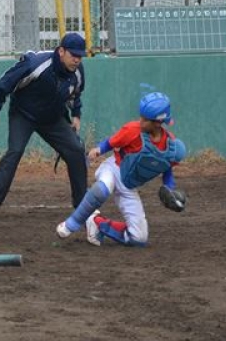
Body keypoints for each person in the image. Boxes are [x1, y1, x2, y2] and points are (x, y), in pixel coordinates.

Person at [55, 91, 186, 247]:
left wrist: (170, 189)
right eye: (141, 117)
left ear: (158, 123)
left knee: (139, 238)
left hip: (128, 186)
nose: (141, 121)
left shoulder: (170, 147)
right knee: (101, 190)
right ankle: (71, 224)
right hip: (113, 168)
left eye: (145, 119)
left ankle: (97, 223)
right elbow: (110, 142)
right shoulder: (133, 130)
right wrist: (98, 150)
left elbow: (167, 168)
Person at [0, 32, 89, 221]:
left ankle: (82, 206)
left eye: (80, 56)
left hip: (52, 118)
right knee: (15, 152)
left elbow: (75, 94)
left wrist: (76, 114)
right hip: (23, 114)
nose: (77, 60)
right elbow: (5, 83)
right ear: (61, 51)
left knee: (76, 151)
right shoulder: (36, 64)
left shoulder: (77, 72)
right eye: (73, 55)